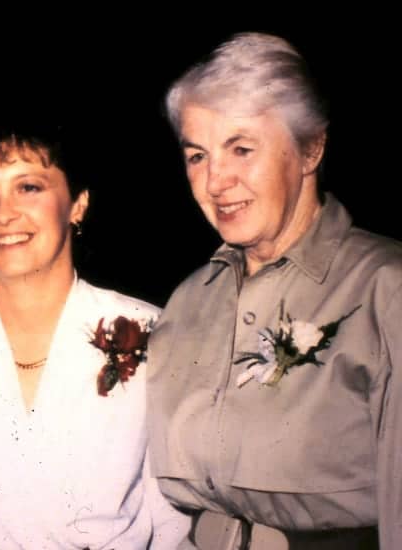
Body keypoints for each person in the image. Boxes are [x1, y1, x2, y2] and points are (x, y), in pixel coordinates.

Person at [146, 32, 401, 550]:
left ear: (311, 148)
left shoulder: (385, 288)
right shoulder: (188, 300)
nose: (216, 181)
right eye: (197, 156)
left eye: (241, 148)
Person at [0, 126, 192, 549]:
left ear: (77, 204)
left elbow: (167, 510)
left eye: (28, 187)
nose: (4, 213)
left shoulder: (144, 329)